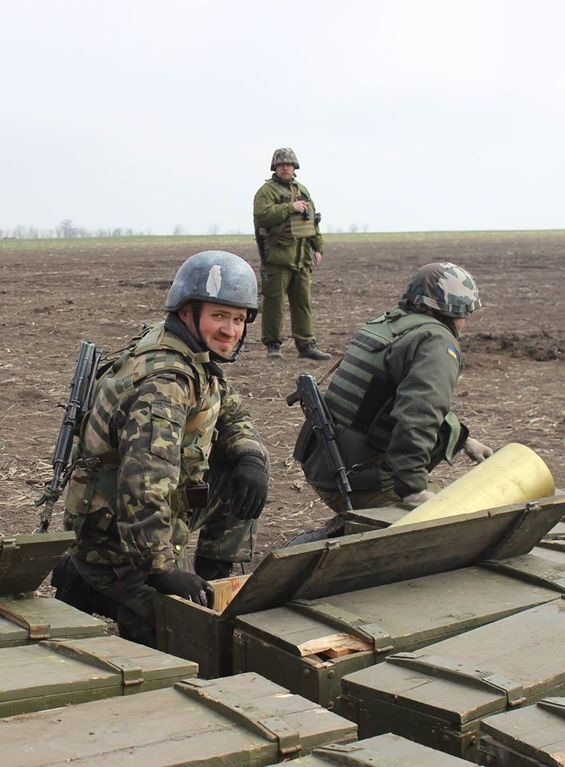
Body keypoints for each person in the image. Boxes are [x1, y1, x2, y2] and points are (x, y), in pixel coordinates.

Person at [52, 251, 270, 647]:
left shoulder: (188, 352)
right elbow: (144, 484)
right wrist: (162, 571)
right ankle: (88, 581)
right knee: (180, 634)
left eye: (239, 319)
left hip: (130, 515)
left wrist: (250, 455)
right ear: (188, 312)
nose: (230, 330)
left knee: (245, 475)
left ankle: (214, 572)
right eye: (220, 316)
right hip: (114, 539)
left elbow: (231, 409)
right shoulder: (164, 383)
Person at [296, 261, 493, 536]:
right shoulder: (435, 342)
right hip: (358, 481)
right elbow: (417, 418)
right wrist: (414, 493)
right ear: (451, 308)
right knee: (452, 530)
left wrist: (463, 440)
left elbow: (385, 401)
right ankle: (341, 535)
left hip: (325, 464)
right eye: (465, 312)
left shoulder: (388, 325)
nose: (464, 322)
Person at [253, 147, 331, 361]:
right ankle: (273, 345)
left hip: (301, 257)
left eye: (289, 164)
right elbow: (262, 216)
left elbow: (312, 221)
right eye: (281, 164)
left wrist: (318, 247)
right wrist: (290, 207)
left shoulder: (303, 190)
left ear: (294, 167)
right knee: (274, 302)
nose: (285, 167)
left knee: (302, 302)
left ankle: (306, 344)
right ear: (275, 167)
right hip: (277, 257)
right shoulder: (266, 191)